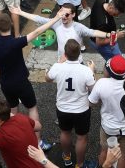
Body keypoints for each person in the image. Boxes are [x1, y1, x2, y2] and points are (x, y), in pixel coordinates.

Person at [0, 10, 65, 133]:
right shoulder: (16, 42)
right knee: (32, 108)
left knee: (12, 110)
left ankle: (13, 134)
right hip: (22, 82)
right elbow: (37, 32)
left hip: (6, 84)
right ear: (11, 24)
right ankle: (37, 141)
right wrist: (56, 18)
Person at [45, 40, 95, 168]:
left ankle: (66, 156)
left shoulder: (58, 67)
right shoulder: (85, 71)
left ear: (65, 54)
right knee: (81, 138)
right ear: (79, 54)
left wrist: (57, 64)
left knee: (65, 133)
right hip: (81, 110)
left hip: (62, 109)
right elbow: (92, 89)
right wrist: (91, 70)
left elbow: (48, 79)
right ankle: (79, 164)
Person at [87, 55, 125, 168]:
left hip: (108, 127)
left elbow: (91, 103)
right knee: (123, 156)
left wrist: (91, 72)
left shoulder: (102, 83)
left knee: (105, 151)